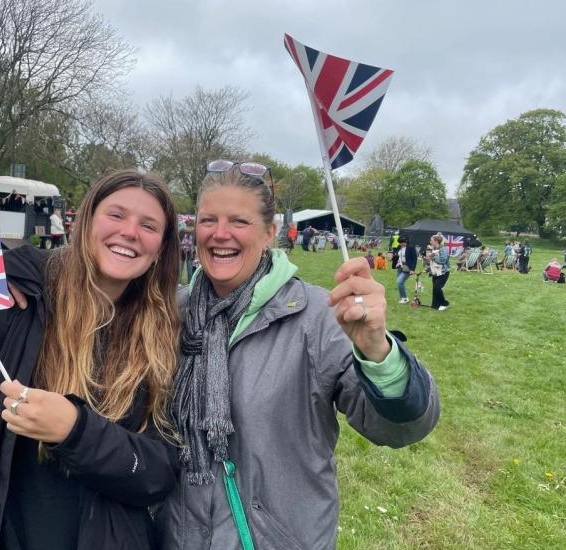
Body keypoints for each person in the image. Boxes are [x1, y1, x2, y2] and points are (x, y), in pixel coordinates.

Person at [155, 160, 439, 549]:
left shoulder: (318, 317)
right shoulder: (170, 314)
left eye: (239, 221)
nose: (220, 234)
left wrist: (378, 352)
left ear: (270, 233)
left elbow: (399, 428)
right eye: (208, 220)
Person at [0, 169, 183, 549]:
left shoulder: (163, 335)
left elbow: (158, 473)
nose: (130, 232)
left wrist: (76, 432)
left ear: (160, 249)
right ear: (84, 222)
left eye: (148, 225)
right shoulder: (7, 303)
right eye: (116, 214)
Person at [428, 234, 450, 310]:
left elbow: (443, 260)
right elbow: (431, 261)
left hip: (443, 272)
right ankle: (435, 305)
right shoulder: (432, 249)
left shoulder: (443, 249)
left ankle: (444, 303)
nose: (430, 241)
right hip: (435, 272)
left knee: (437, 288)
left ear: (436, 241)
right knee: (435, 289)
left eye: (431, 240)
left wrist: (433, 256)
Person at [394, 236, 418, 304]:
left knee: (399, 282)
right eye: (399, 243)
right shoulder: (399, 247)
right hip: (399, 267)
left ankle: (404, 298)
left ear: (405, 242)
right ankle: (404, 298)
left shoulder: (411, 247)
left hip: (407, 267)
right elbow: (398, 255)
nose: (400, 244)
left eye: (402, 243)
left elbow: (414, 259)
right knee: (401, 283)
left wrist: (412, 269)